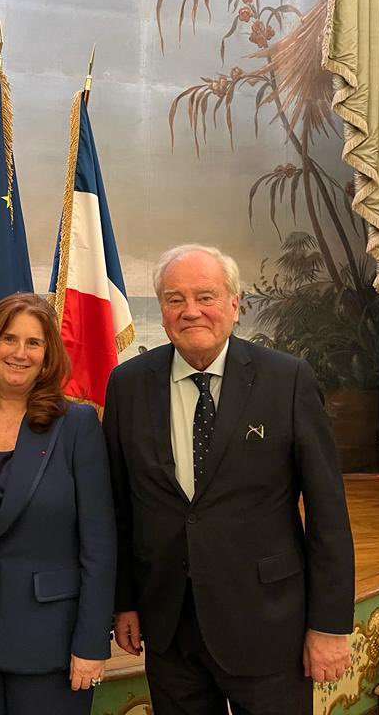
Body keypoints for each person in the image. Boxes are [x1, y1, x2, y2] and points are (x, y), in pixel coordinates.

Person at [103, 244, 355, 715]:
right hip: (170, 627)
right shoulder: (128, 385)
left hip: (268, 623)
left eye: (206, 296)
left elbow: (328, 513)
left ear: (235, 305)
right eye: (175, 299)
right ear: (161, 310)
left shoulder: (288, 380)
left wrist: (329, 625)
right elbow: (119, 506)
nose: (190, 310)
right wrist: (125, 602)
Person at [0, 293, 116, 715]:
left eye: (34, 343)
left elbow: (99, 545)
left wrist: (91, 642)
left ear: (48, 356)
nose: (20, 353)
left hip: (52, 642)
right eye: (9, 339)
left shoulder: (77, 426)